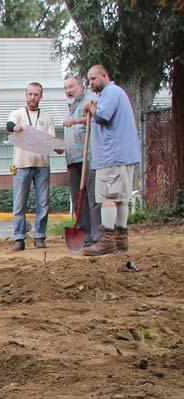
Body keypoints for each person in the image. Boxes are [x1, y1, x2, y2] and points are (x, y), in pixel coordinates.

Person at [82, 65, 142, 256]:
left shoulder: (110, 92)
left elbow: (102, 117)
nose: (90, 83)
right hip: (123, 155)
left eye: (93, 78)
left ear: (104, 76)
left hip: (111, 156)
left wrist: (92, 107)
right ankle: (121, 239)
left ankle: (107, 240)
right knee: (121, 198)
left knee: (108, 198)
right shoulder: (115, 93)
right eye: (89, 79)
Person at [7, 82, 59, 251]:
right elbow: (9, 125)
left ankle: (39, 236)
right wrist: (16, 127)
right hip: (22, 164)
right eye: (30, 94)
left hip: (42, 164)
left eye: (36, 95)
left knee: (43, 202)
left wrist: (57, 147)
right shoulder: (17, 113)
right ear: (25, 95)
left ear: (41, 97)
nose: (33, 98)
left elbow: (52, 140)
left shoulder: (47, 117)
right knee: (19, 203)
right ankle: (19, 238)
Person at [62, 76, 101, 248]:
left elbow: (95, 118)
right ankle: (84, 233)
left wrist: (75, 121)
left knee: (92, 196)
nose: (68, 91)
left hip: (88, 157)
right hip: (73, 159)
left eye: (71, 87)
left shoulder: (89, 99)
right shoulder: (71, 105)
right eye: (66, 88)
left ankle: (96, 234)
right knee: (78, 198)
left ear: (81, 86)